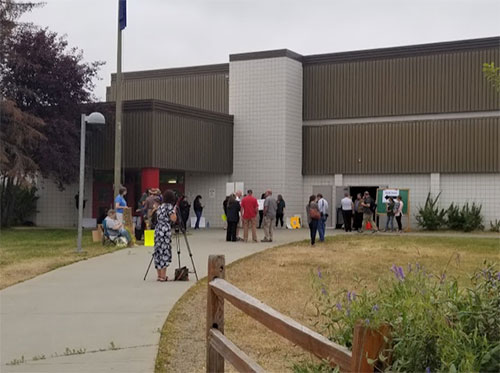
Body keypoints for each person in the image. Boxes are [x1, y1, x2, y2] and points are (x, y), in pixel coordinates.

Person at [154, 190, 177, 282]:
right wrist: (174, 212)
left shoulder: (160, 207)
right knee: (165, 251)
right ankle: (163, 276)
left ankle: (159, 275)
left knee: (158, 251)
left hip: (158, 229)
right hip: (165, 230)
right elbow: (173, 219)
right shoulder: (169, 207)